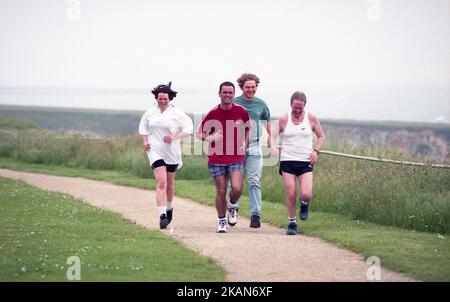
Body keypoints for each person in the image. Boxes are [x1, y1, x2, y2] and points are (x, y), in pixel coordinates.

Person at [197, 81, 251, 233]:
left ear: (234, 94)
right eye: (225, 92)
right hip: (217, 158)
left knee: (237, 188)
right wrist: (210, 137)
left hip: (236, 156)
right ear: (219, 93)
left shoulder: (241, 111)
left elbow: (249, 128)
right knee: (221, 190)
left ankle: (233, 206)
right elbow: (199, 133)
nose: (227, 95)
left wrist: (245, 143)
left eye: (230, 92)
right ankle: (221, 221)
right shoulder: (212, 113)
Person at [139, 82, 193, 229]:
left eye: (165, 99)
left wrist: (175, 136)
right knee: (161, 182)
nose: (162, 101)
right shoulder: (150, 112)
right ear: (156, 98)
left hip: (172, 152)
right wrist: (145, 142)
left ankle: (169, 208)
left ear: (170, 98)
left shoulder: (177, 113)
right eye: (160, 98)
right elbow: (143, 128)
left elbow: (189, 129)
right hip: (154, 150)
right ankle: (162, 215)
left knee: (169, 184)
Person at [271, 91, 325, 235]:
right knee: (291, 192)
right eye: (295, 107)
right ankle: (292, 223)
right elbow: (272, 136)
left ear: (304, 106)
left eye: (300, 108)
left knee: (306, 194)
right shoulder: (283, 118)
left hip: (305, 161)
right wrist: (272, 146)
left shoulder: (311, 118)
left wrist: (316, 151)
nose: (297, 111)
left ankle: (304, 203)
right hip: (288, 160)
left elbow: (321, 136)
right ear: (291, 104)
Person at [233, 73, 276, 228]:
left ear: (256, 87)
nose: (250, 90)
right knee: (235, 182)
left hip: (255, 146)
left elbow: (267, 122)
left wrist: (271, 141)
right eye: (247, 87)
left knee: (254, 181)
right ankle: (233, 208)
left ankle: (255, 215)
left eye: (253, 87)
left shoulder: (261, 104)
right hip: (235, 147)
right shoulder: (234, 102)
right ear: (242, 88)